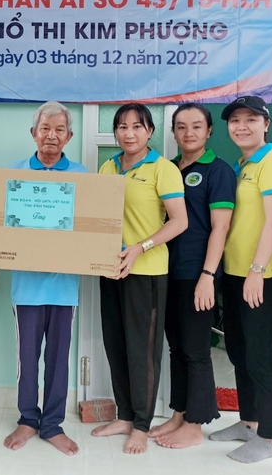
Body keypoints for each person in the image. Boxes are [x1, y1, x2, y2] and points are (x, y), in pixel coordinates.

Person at [92, 103, 188, 454]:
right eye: (122, 126)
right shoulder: (108, 166)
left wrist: (140, 248)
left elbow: (179, 222)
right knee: (116, 344)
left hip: (147, 271)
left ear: (150, 131)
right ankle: (125, 416)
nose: (128, 133)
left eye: (137, 126)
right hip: (111, 269)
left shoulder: (163, 169)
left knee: (142, 351)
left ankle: (142, 425)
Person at [0, 101, 86, 456]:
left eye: (59, 129)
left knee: (59, 360)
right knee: (27, 358)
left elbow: (94, 226)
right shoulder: (13, 174)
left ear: (69, 136)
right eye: (45, 128)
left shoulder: (82, 176)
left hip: (65, 287)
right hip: (27, 286)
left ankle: (52, 424)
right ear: (33, 133)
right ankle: (27, 419)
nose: (51, 135)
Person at [209, 95, 272, 464]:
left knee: (262, 357)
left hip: (261, 276)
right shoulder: (242, 165)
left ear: (266, 124)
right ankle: (248, 422)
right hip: (235, 273)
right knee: (239, 352)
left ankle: (268, 437)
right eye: (235, 121)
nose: (241, 126)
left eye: (251, 119)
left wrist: (257, 271)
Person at [149, 103, 236, 449]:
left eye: (197, 126)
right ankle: (179, 413)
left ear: (209, 131)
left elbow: (221, 228)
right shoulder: (168, 168)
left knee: (196, 349)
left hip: (196, 273)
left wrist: (207, 275)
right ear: (173, 132)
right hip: (166, 271)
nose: (189, 133)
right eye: (182, 126)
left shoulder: (218, 171)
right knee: (176, 347)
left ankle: (195, 425)